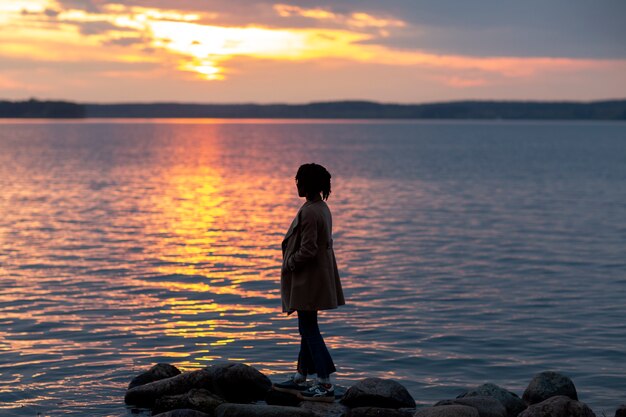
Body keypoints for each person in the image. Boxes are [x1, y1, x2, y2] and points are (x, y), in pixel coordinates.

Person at [273, 163, 345, 402]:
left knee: (309, 330)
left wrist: (290, 263)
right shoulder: (321, 207)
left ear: (308, 184)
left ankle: (324, 383)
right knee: (307, 327)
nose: (297, 184)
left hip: (308, 279)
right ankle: (300, 377)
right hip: (315, 278)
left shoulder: (311, 211)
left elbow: (309, 248)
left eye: (300, 181)